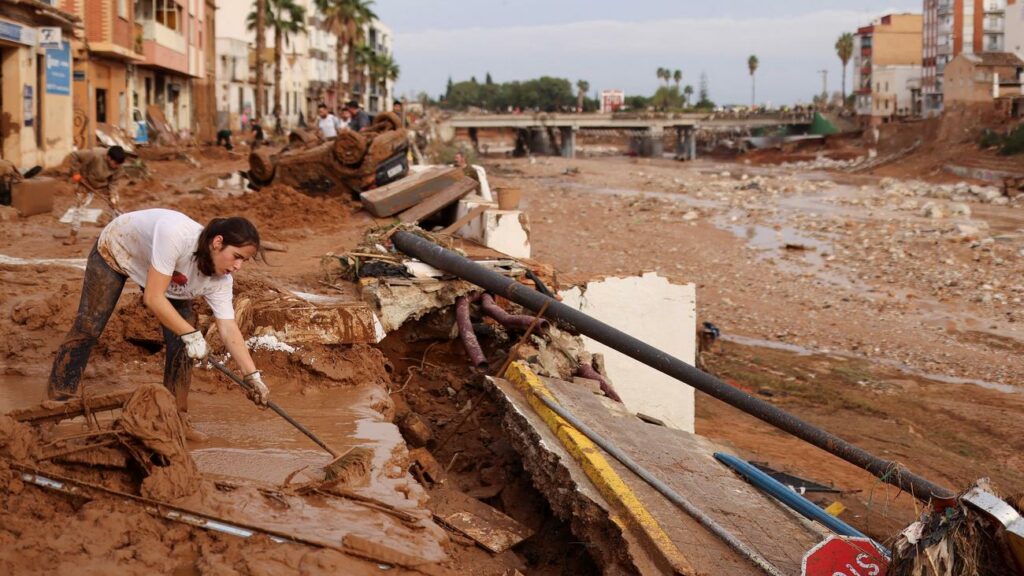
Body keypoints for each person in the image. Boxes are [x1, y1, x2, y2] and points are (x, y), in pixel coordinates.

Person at [47, 209, 271, 441]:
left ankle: (175, 419)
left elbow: (228, 328)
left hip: (166, 274)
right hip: (119, 250)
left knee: (182, 345)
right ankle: (54, 407)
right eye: (236, 256)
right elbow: (153, 298)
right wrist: (192, 334)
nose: (238, 266)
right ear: (217, 242)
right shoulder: (176, 235)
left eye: (243, 260)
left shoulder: (221, 280)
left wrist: (252, 376)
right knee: (89, 327)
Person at [66, 146, 127, 245]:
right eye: (114, 163)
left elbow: (113, 184)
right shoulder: (95, 154)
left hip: (104, 186)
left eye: (118, 164)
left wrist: (112, 197)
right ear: (108, 157)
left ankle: (115, 236)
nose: (116, 166)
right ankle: (73, 235)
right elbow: (74, 155)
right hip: (86, 183)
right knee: (79, 208)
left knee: (115, 208)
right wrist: (76, 172)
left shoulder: (119, 167)